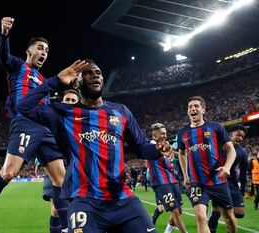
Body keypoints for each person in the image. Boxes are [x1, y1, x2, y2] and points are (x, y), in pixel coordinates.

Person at [0, 17, 87, 233]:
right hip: (26, 123)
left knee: (60, 180)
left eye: (47, 50)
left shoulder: (44, 79)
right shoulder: (19, 66)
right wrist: (4, 34)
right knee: (9, 172)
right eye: (40, 48)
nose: (44, 52)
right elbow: (3, 57)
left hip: (45, 129)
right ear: (29, 52)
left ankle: (68, 229)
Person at [17, 59, 171, 233]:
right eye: (88, 73)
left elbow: (141, 146)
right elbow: (23, 106)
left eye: (98, 73)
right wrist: (56, 81)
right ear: (76, 83)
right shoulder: (64, 113)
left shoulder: (120, 111)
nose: (95, 75)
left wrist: (157, 149)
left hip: (123, 200)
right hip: (85, 201)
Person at [177, 96, 237, 233]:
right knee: (200, 217)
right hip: (197, 182)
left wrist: (227, 167)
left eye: (196, 106)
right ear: (187, 112)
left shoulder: (215, 128)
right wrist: (186, 175)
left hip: (218, 180)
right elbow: (181, 153)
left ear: (203, 110)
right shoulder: (182, 133)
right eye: (190, 107)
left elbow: (231, 150)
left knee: (229, 218)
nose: (193, 109)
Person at [38, 89, 80, 233]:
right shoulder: (52, 117)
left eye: (73, 100)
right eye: (67, 100)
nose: (69, 103)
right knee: (56, 210)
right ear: (62, 102)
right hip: (56, 165)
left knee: (77, 208)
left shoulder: (83, 121)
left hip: (76, 168)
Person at [147, 123, 188, 233]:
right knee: (174, 211)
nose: (165, 135)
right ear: (155, 135)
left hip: (172, 180)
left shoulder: (166, 144)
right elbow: (159, 150)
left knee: (179, 210)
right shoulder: (150, 145)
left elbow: (172, 153)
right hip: (161, 183)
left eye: (165, 133)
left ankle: (168, 230)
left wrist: (183, 153)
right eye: (162, 133)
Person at [208, 124, 248, 233]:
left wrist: (243, 189)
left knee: (240, 213)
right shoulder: (217, 144)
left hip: (232, 183)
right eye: (238, 135)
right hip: (218, 181)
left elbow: (244, 172)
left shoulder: (242, 153)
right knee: (218, 213)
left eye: (242, 137)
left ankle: (219, 209)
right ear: (230, 133)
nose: (240, 138)